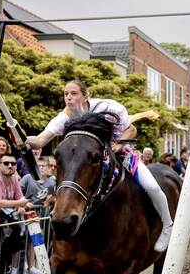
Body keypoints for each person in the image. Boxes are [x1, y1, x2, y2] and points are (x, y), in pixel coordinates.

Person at [26, 79, 174, 251]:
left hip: (122, 154)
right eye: (66, 94)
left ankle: (168, 225)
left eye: (73, 93)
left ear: (86, 95)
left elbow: (132, 130)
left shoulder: (109, 108)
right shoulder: (64, 118)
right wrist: (22, 137)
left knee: (152, 187)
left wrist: (117, 144)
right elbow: (39, 141)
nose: (68, 98)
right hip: (93, 163)